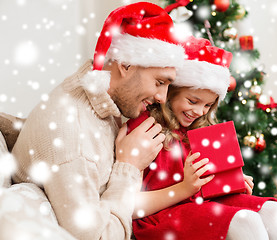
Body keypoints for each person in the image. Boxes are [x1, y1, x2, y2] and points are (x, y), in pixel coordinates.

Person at [11, 2, 185, 240]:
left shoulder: (104, 96)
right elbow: (99, 236)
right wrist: (129, 168)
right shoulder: (73, 138)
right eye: (159, 82)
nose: (162, 98)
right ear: (126, 65)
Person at [126, 36, 277, 240]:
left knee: (276, 212)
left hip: (199, 204)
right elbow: (131, 204)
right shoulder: (145, 128)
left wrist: (230, 183)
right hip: (159, 215)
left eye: (208, 105)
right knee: (246, 222)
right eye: (193, 101)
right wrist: (186, 187)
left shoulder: (202, 131)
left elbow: (205, 189)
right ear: (169, 93)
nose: (199, 112)